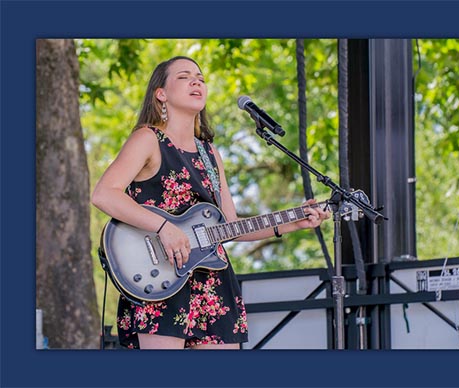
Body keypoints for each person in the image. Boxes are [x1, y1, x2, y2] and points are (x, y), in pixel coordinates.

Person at [91, 56, 330, 349]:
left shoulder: (210, 153)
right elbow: (104, 193)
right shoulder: (148, 139)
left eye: (200, 78)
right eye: (184, 77)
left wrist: (292, 223)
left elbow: (230, 227)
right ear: (161, 93)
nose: (196, 82)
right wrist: (165, 227)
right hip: (160, 278)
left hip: (212, 283)